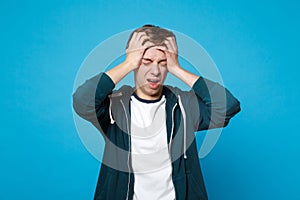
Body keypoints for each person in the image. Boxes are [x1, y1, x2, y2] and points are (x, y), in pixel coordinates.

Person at [73, 25, 241, 200]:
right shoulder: (114, 107)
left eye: (162, 63)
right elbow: (82, 101)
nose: (155, 72)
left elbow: (227, 106)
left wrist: (177, 68)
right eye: (146, 62)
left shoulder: (184, 105)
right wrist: (127, 63)